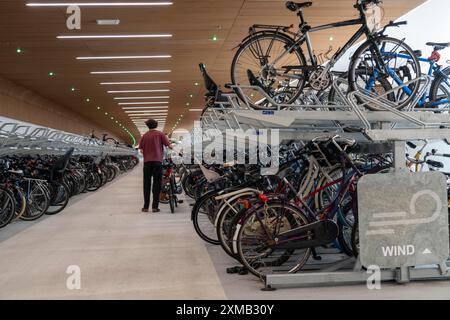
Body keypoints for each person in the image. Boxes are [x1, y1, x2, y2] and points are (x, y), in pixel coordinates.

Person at [138, 119, 173, 213]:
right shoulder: (160, 134)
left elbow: (141, 150)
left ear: (148, 126)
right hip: (157, 162)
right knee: (157, 184)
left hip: (147, 163)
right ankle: (155, 207)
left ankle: (145, 207)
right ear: (156, 125)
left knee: (146, 184)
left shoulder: (144, 136)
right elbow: (169, 145)